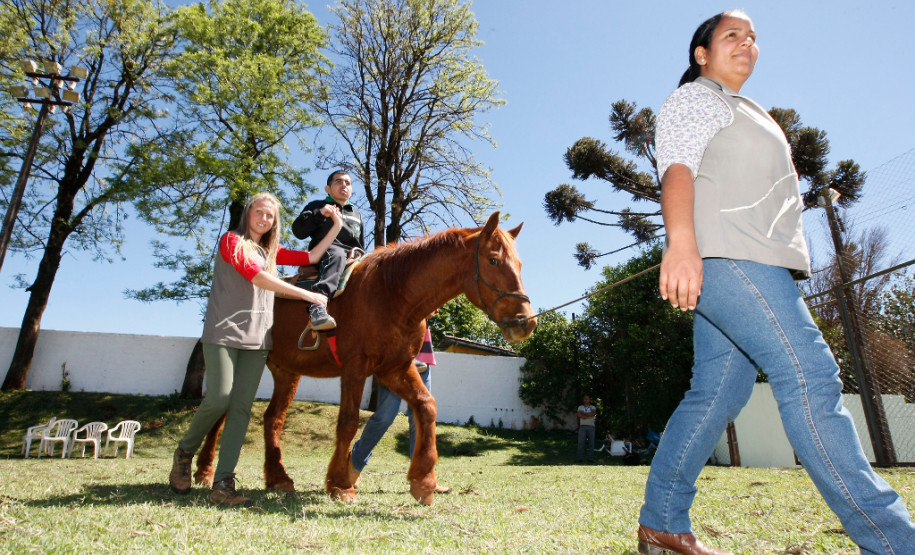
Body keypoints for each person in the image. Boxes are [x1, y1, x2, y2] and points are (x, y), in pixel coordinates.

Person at [637, 10, 915, 555]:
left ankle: (662, 522)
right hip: (731, 256)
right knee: (810, 372)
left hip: (749, 258)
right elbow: (676, 169)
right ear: (702, 54)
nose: (747, 43)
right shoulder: (698, 96)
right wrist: (682, 244)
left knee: (717, 392)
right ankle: (893, 541)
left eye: (754, 37)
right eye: (732, 35)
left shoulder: (747, 110)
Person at [169, 192, 342, 508]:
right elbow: (256, 276)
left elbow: (313, 257)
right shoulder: (232, 242)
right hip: (223, 333)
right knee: (220, 397)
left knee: (240, 409)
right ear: (248, 214)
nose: (265, 218)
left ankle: (223, 483)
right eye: (259, 212)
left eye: (270, 215)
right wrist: (308, 297)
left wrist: (336, 224)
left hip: (258, 339)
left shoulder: (272, 251)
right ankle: (184, 452)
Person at [348, 324, 450, 494]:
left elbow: (430, 310)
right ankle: (354, 464)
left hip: (420, 359)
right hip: (392, 359)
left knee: (420, 416)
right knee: (385, 416)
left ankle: (422, 476)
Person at [292, 170, 365, 331]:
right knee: (337, 254)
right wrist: (320, 215)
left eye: (348, 183)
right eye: (339, 181)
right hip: (326, 252)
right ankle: (318, 306)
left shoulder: (357, 214)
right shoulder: (316, 206)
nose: (344, 185)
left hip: (354, 257)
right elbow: (298, 231)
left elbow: (360, 244)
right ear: (328, 188)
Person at [576, 395, 597, 463]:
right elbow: (579, 414)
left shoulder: (592, 407)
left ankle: (590, 458)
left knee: (591, 443)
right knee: (581, 443)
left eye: (587, 399)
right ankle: (580, 458)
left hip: (591, 426)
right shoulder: (580, 407)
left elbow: (593, 414)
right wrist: (588, 415)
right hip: (582, 426)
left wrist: (584, 414)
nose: (586, 400)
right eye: (585, 399)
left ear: (589, 400)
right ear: (583, 400)